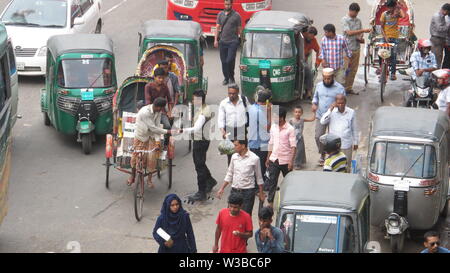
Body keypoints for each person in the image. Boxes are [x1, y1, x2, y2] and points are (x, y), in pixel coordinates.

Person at [127, 98, 178, 187]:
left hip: (151, 137)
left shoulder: (158, 112)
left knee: (152, 158)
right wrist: (168, 132)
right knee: (134, 157)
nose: (162, 110)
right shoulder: (144, 112)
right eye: (162, 108)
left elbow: (157, 127)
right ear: (158, 107)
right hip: (140, 136)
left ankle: (149, 180)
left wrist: (158, 141)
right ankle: (132, 176)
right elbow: (153, 128)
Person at [183, 90, 217, 202]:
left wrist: (181, 130)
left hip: (200, 141)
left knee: (199, 166)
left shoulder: (203, 112)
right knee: (200, 162)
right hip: (202, 139)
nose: (193, 101)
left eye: (194, 99)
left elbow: (196, 128)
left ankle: (201, 192)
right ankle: (210, 180)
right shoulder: (202, 108)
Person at [216, 139, 265, 216]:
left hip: (248, 193)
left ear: (243, 146)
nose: (233, 147)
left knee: (245, 216)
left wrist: (261, 193)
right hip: (234, 191)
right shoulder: (234, 157)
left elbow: (259, 177)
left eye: (236, 145)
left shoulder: (254, 158)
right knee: (231, 215)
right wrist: (222, 188)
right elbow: (229, 173)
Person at [312, 68, 346, 166]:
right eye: (325, 79)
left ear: (333, 77)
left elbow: (344, 101)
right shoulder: (318, 86)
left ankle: (332, 156)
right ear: (322, 77)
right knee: (318, 136)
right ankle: (323, 153)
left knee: (333, 138)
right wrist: (314, 104)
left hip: (334, 117)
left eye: (329, 79)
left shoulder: (340, 88)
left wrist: (338, 105)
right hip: (320, 115)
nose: (327, 81)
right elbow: (315, 97)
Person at [265, 107, 296, 208]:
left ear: (282, 118)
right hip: (274, 159)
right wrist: (268, 157)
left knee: (289, 183)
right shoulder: (273, 127)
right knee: (272, 182)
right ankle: (270, 202)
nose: (274, 119)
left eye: (275, 117)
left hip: (286, 161)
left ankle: (290, 201)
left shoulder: (290, 129)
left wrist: (291, 162)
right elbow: (271, 143)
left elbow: (293, 147)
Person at [320, 94, 358, 173]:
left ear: (345, 102)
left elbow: (354, 128)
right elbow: (322, 121)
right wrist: (330, 110)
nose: (340, 105)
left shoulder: (351, 112)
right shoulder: (331, 112)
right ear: (335, 103)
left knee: (346, 166)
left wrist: (356, 142)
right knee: (333, 165)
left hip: (346, 144)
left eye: (342, 103)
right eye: (338, 103)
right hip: (333, 145)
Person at [342, 3, 372, 95]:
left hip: (356, 47)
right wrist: (363, 31)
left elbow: (359, 33)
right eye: (354, 13)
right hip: (347, 48)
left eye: (357, 13)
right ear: (351, 11)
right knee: (345, 69)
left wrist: (360, 36)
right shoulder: (344, 20)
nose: (355, 15)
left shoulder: (358, 20)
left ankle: (349, 88)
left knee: (353, 70)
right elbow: (349, 33)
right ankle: (342, 88)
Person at [218, 84, 249, 165]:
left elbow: (249, 111)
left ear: (238, 92)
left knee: (243, 153)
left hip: (242, 130)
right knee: (231, 156)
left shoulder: (244, 100)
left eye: (233, 93)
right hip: (230, 131)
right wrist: (222, 131)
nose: (231, 95)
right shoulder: (223, 103)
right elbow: (221, 119)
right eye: (229, 93)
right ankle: (231, 174)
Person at [214, 0, 242, 85]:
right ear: (224, 4)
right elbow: (217, 28)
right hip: (223, 42)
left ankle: (231, 77)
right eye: (226, 4)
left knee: (230, 60)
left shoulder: (237, 16)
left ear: (232, 4)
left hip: (233, 42)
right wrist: (215, 40)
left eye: (229, 4)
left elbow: (240, 28)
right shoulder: (220, 14)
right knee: (224, 61)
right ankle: (226, 78)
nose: (227, 6)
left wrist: (242, 41)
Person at [379, 0, 405, 81]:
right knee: (380, 54)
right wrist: (385, 37)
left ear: (394, 7)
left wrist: (398, 8)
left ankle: (393, 73)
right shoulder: (384, 14)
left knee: (393, 55)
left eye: (391, 7)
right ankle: (382, 70)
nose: (389, 9)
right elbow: (381, 28)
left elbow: (403, 16)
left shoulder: (397, 14)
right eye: (388, 7)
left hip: (395, 37)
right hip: (385, 37)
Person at [248, 87, 272, 177]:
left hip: (253, 143)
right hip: (259, 144)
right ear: (266, 101)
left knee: (257, 166)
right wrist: (269, 112)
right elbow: (267, 127)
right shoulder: (259, 112)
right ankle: (259, 187)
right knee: (262, 167)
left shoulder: (252, 107)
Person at [289, 105, 315, 170]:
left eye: (299, 112)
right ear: (293, 112)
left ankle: (298, 163)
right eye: (296, 112)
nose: (297, 113)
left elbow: (312, 119)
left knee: (300, 151)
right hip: (293, 138)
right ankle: (293, 163)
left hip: (300, 138)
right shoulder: (291, 120)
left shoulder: (302, 120)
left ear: (302, 113)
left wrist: (314, 112)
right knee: (293, 151)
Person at [302, 26, 322, 100]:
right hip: (294, 59)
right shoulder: (300, 37)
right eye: (309, 36)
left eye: (312, 37)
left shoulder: (313, 40)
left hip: (303, 61)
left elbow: (318, 51)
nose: (310, 38)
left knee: (309, 73)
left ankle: (309, 92)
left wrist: (317, 61)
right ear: (306, 33)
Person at [430, 3, 450, 68]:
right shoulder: (437, 16)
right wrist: (448, 25)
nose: (447, 14)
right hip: (436, 39)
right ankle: (434, 76)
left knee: (439, 58)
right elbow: (439, 29)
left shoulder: (443, 17)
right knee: (436, 59)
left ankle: (437, 75)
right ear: (446, 11)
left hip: (441, 40)